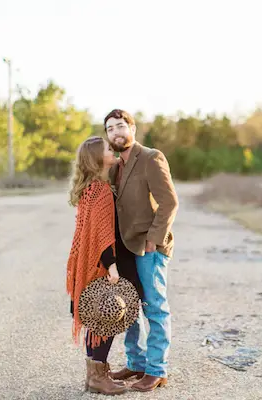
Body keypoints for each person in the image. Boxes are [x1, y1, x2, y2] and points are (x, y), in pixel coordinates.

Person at [104, 109, 179, 392]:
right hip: (125, 247)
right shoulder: (115, 166)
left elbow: (170, 203)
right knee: (131, 308)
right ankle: (136, 362)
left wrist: (153, 240)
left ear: (132, 129)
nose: (116, 132)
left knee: (154, 307)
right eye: (110, 129)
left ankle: (157, 369)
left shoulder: (150, 157)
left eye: (121, 126)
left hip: (149, 248)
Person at [66, 136, 144, 395]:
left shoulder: (90, 188)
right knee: (106, 316)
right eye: (108, 149)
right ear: (98, 159)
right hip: (104, 264)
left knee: (95, 318)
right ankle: (98, 375)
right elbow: (101, 235)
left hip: (89, 265)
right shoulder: (100, 191)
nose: (113, 151)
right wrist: (111, 268)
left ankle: (95, 374)